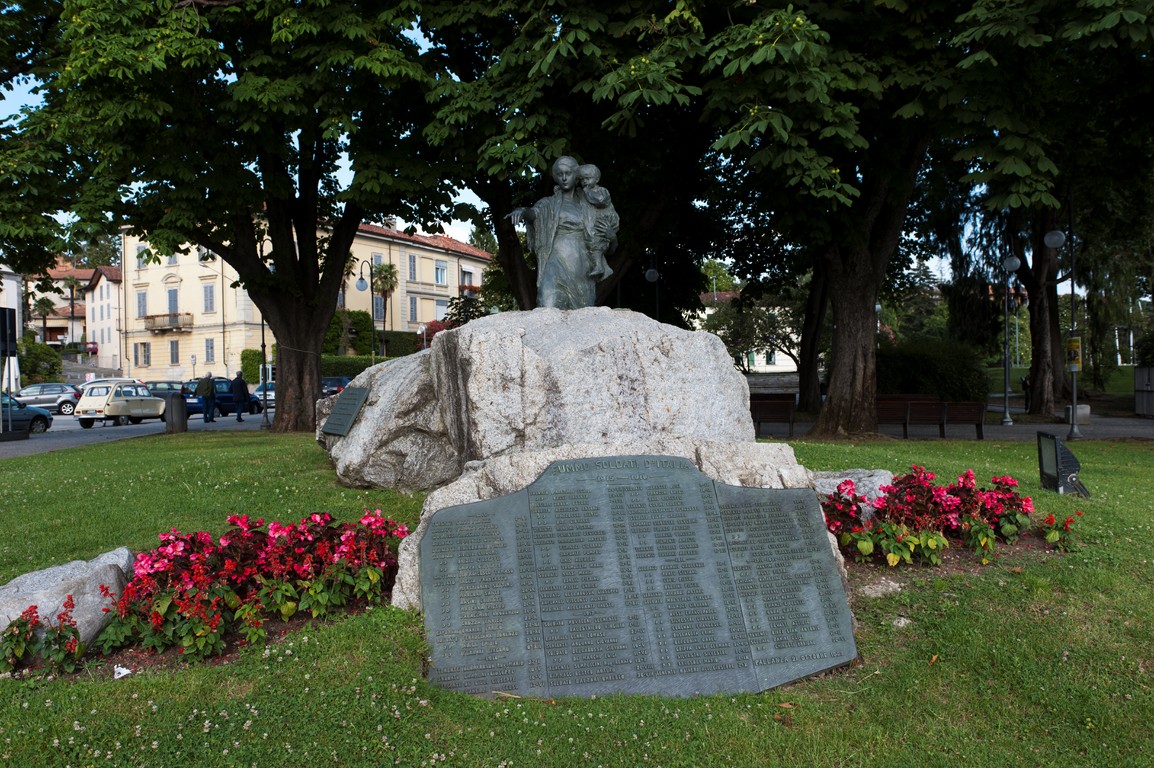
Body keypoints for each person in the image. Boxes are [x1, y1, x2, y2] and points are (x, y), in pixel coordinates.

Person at [508, 155, 619, 309]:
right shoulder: (548, 204)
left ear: (576, 174)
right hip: (554, 264)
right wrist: (523, 211)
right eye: (560, 174)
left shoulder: (592, 204)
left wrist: (612, 237)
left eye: (568, 173)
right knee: (547, 307)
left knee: (582, 313)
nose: (564, 178)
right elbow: (535, 213)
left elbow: (611, 248)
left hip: (582, 266)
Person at [576, 163, 617, 282]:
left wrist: (587, 191)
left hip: (602, 223)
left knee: (597, 241)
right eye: (582, 179)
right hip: (592, 225)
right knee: (592, 241)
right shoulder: (580, 193)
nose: (584, 182)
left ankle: (599, 266)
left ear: (597, 179)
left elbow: (600, 200)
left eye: (587, 178)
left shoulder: (601, 191)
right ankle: (598, 266)